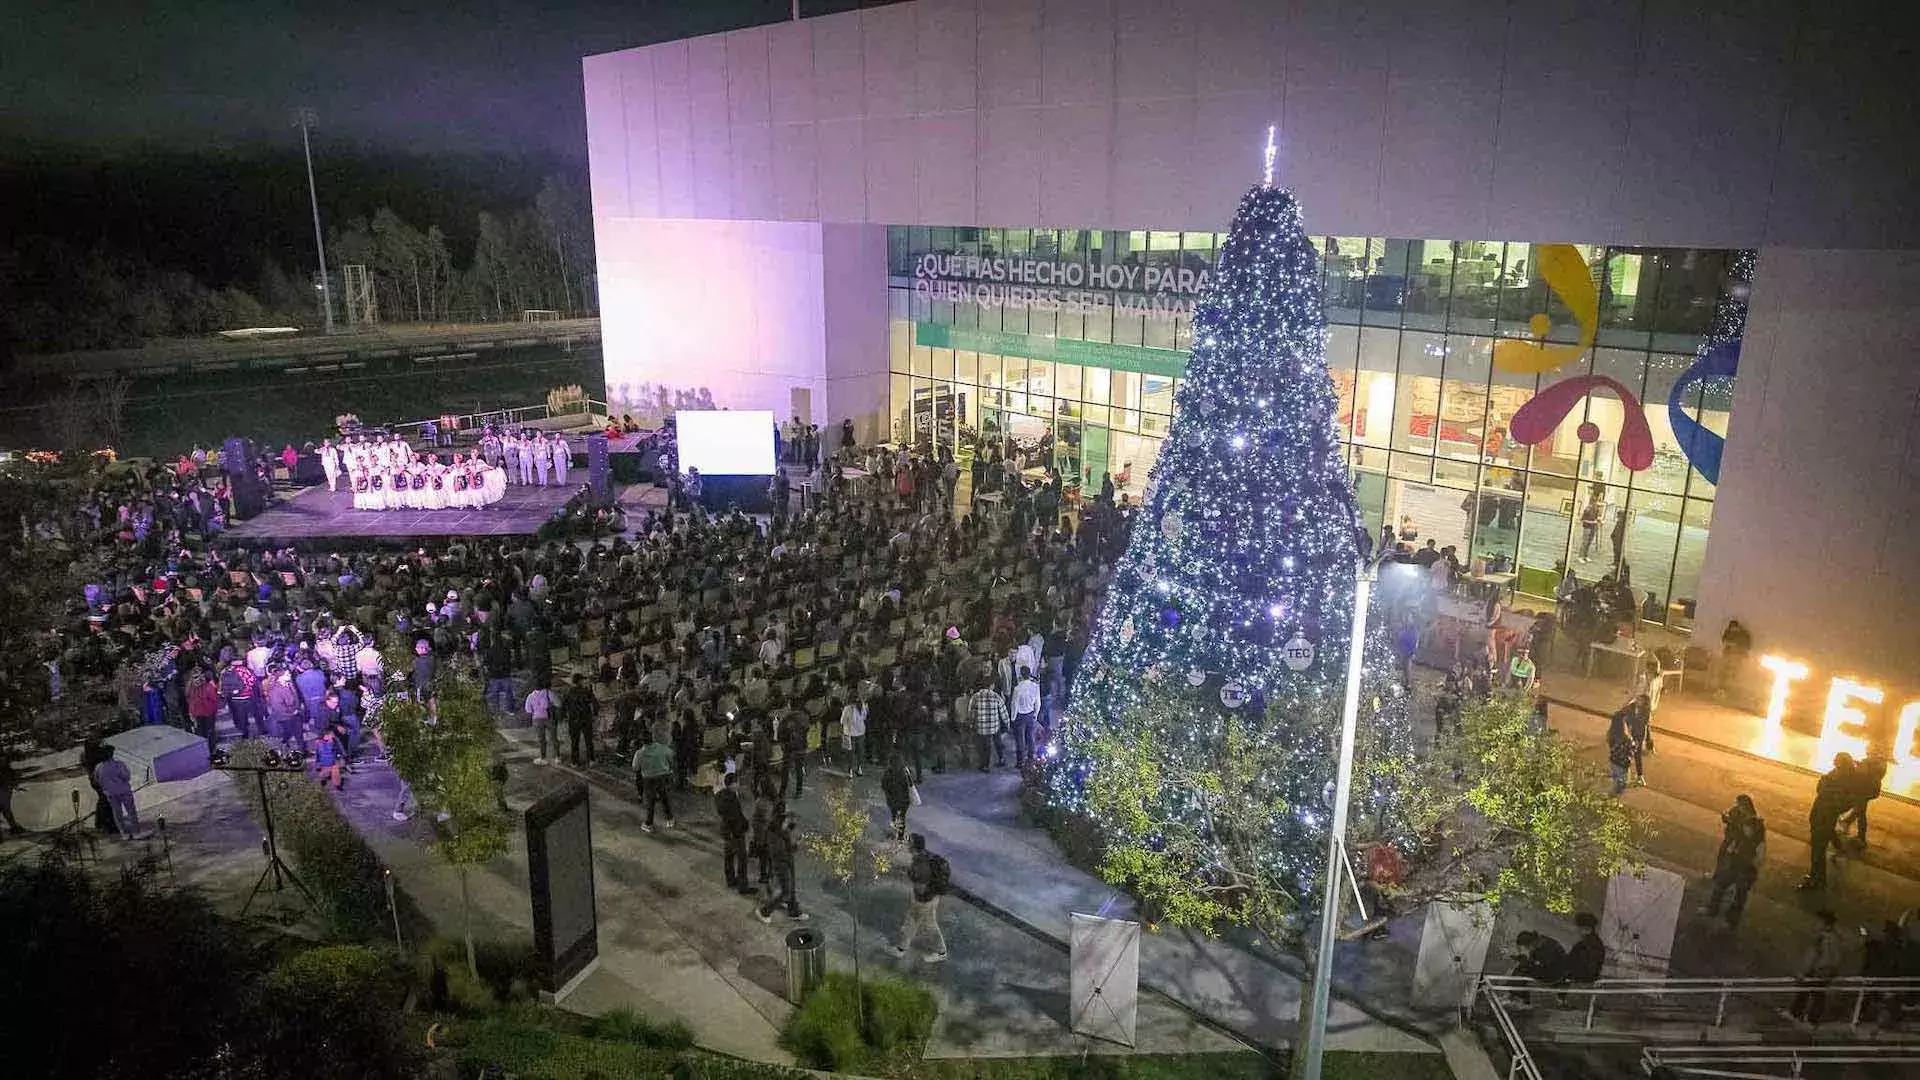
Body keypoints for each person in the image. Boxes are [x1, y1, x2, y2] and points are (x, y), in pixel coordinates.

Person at [1701, 794, 1766, 926]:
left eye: (1748, 829)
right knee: (1721, 885)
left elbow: (1760, 851)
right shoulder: (1744, 827)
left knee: (1740, 895)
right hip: (1736, 863)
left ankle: (1730, 920)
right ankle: (1713, 910)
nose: (1746, 830)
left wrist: (1756, 862)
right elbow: (1736, 840)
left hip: (1746, 868)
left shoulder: (1756, 833)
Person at [888, 833, 949, 964]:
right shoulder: (923, 857)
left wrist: (913, 880)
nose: (906, 843)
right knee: (925, 924)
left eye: (909, 841)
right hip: (932, 897)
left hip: (924, 899)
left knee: (915, 923)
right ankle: (903, 949)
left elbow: (921, 886)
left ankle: (902, 950)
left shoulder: (920, 865)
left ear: (913, 846)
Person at [1799, 755, 1854, 890]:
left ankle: (1816, 879)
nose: (1834, 761)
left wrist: (1825, 785)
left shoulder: (1840, 780)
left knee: (1818, 851)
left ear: (1842, 764)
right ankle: (1817, 877)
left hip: (1824, 818)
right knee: (1817, 850)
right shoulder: (1837, 775)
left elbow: (1825, 793)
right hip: (1821, 816)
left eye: (1837, 760)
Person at [1785, 910, 1845, 1025]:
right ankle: (1811, 1019)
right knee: (1819, 995)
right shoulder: (1836, 938)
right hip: (1828, 971)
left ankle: (1797, 1014)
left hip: (1817, 969)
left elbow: (1812, 955)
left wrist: (1803, 971)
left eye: (1818, 922)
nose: (1816, 924)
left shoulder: (1820, 938)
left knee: (1805, 991)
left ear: (1826, 924)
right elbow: (1838, 957)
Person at [756, 808, 806, 923]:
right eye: (790, 819)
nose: (792, 823)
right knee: (786, 891)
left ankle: (794, 911)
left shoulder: (784, 830)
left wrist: (796, 844)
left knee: (791, 887)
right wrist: (794, 846)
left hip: (788, 860)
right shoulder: (774, 833)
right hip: (781, 863)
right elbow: (779, 852)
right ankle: (765, 911)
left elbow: (788, 848)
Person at [1838, 754, 1888, 848]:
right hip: (1871, 791)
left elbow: (1860, 775)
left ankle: (1861, 838)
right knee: (1859, 809)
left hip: (1863, 791)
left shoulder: (1868, 763)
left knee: (1860, 812)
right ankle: (1848, 822)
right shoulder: (1878, 763)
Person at [715, 771, 753, 895]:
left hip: (726, 832)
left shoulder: (720, 796)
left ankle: (730, 879)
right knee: (742, 858)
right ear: (731, 784)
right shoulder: (731, 798)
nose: (738, 785)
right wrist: (743, 827)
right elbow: (736, 817)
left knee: (729, 856)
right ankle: (743, 886)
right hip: (735, 833)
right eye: (736, 782)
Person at [633, 726, 676, 832]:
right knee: (664, 797)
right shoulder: (662, 748)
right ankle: (670, 818)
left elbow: (635, 768)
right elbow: (671, 757)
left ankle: (649, 823)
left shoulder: (639, 753)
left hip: (648, 779)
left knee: (650, 801)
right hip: (663, 776)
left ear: (642, 741)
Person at [93, 745, 140, 839]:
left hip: (110, 793)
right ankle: (135, 832)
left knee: (117, 813)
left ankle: (124, 833)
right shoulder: (118, 764)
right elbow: (126, 776)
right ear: (111, 754)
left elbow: (97, 781)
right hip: (123, 791)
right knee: (131, 811)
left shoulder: (98, 767)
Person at [1510, 929, 1568, 1003]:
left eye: (1526, 947)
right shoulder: (1540, 942)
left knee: (1523, 970)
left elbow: (1545, 965)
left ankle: (1517, 997)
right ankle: (1517, 996)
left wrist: (1526, 962)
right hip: (1553, 971)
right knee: (1522, 968)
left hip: (1555, 975)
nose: (1527, 949)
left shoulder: (1547, 947)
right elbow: (1535, 962)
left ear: (1529, 944)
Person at [970, 681, 1009, 771]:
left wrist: (971, 724)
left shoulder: (975, 697)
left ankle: (985, 765)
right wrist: (1007, 724)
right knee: (998, 741)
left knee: (984, 746)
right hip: (994, 726)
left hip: (981, 727)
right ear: (991, 685)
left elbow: (971, 712)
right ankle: (1001, 759)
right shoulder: (996, 696)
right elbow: (1003, 712)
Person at [561, 673, 596, 768]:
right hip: (586, 718)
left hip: (573, 719)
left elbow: (563, 707)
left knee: (574, 741)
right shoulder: (586, 691)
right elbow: (594, 703)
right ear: (580, 681)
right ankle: (591, 760)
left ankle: (574, 762)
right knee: (588, 740)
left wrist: (563, 717)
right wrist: (595, 715)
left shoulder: (567, 693)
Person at [219, 656, 258, 740]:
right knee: (247, 714)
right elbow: (253, 682)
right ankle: (249, 730)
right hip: (247, 696)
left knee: (238, 715)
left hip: (234, 698)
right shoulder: (246, 670)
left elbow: (222, 685)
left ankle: (243, 731)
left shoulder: (226, 671)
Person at [1010, 665, 1041, 768]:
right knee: (1030, 737)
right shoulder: (1035, 686)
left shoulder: (1017, 689)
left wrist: (1013, 717)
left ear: (1021, 675)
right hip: (1030, 713)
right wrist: (1035, 714)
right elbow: (1038, 702)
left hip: (1020, 715)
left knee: (1020, 739)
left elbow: (1015, 704)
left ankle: (1020, 762)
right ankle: (1031, 758)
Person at [880, 753, 915, 843]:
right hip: (904, 801)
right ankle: (900, 836)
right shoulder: (905, 772)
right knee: (902, 817)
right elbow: (911, 784)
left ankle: (896, 833)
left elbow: (883, 786)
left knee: (894, 816)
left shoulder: (888, 773)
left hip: (892, 800)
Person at [1565, 913, 1606, 986]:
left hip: (1582, 983)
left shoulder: (1589, 945)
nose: (1577, 930)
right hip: (1582, 980)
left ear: (1585, 929)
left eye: (1579, 928)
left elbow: (1589, 967)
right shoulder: (1590, 942)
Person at [525, 679, 558, 765]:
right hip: (549, 718)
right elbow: (558, 703)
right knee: (554, 738)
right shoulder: (548, 693)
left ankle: (543, 758)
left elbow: (528, 710)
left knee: (541, 739)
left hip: (537, 719)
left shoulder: (530, 696)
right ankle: (558, 757)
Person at [185, 668, 221, 746]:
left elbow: (214, 699)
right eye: (195, 677)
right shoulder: (192, 688)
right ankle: (208, 747)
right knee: (204, 731)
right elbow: (189, 700)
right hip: (200, 713)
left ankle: (210, 747)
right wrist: (191, 712)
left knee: (207, 731)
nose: (196, 679)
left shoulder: (207, 686)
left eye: (197, 677)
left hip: (206, 713)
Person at [838, 690, 868, 777]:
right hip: (861, 732)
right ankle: (859, 768)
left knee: (850, 752)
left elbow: (842, 721)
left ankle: (850, 770)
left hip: (849, 733)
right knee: (860, 751)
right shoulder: (863, 706)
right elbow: (865, 718)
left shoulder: (847, 708)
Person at [312, 726, 343, 791]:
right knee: (325, 773)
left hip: (332, 762)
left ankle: (337, 785)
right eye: (331, 734)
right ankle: (324, 781)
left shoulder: (333, 741)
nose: (332, 735)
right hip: (325, 762)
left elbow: (338, 750)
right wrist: (318, 765)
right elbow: (317, 755)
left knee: (335, 773)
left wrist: (340, 756)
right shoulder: (319, 743)